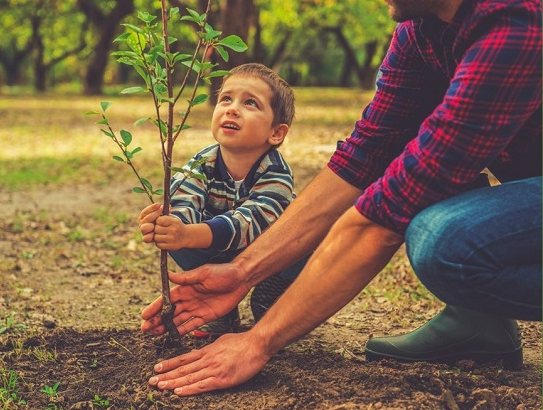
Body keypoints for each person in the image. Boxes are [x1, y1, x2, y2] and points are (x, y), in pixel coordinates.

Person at [138, 0, 542, 396]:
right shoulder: (420, 31)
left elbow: (385, 215)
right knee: (426, 161)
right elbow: (364, 156)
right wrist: (242, 272)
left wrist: (258, 340)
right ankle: (479, 323)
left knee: (443, 241)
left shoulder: (515, 20)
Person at [138, 63, 309, 338]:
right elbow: (184, 200)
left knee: (305, 244)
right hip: (219, 249)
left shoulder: (276, 172)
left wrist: (191, 233)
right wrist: (170, 226)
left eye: (250, 103)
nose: (232, 108)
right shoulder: (203, 162)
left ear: (276, 132)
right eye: (226, 99)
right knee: (179, 241)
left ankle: (275, 291)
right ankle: (222, 309)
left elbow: (252, 222)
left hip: (269, 253)